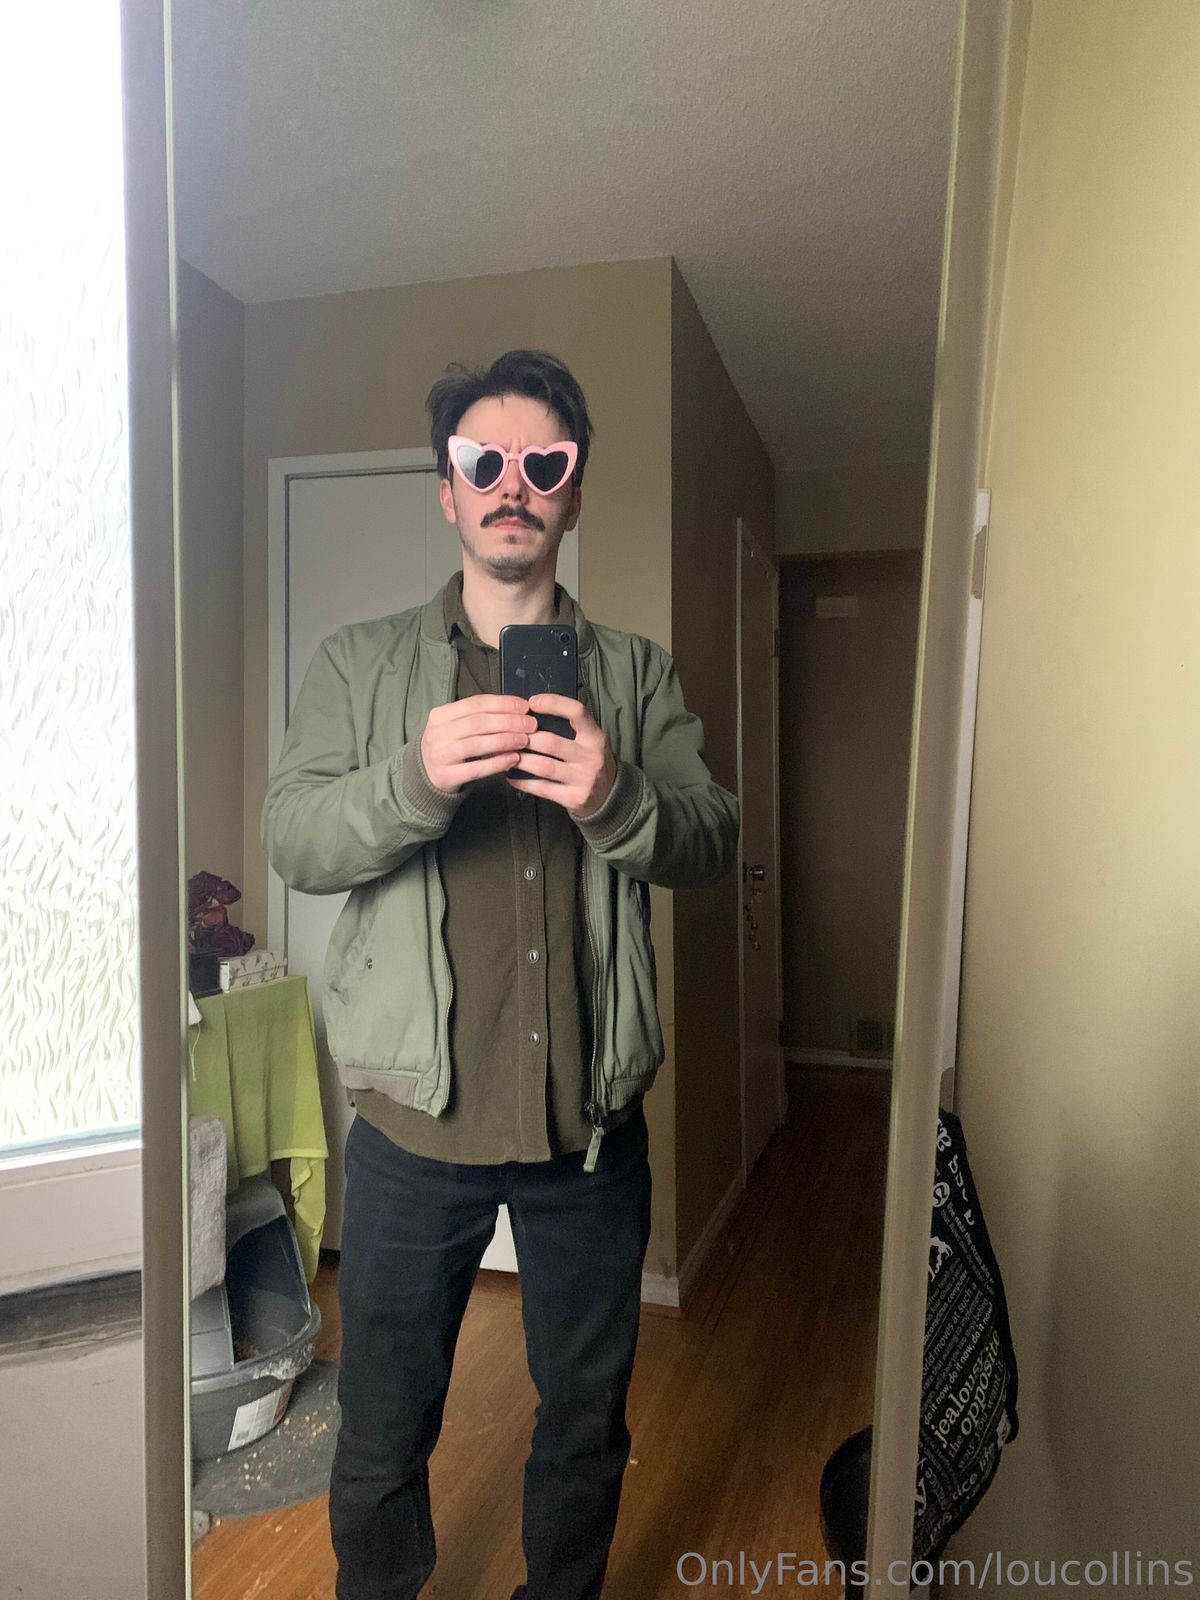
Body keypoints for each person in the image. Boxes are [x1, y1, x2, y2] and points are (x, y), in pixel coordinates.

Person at [261, 348, 741, 1600]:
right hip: (412, 1135)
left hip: (592, 1136)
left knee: (585, 1422)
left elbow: (713, 837)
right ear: (449, 490)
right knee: (382, 1427)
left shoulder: (634, 673)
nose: (512, 483)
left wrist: (619, 795)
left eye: (544, 462)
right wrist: (412, 780)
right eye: (484, 461)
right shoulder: (358, 667)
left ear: (573, 491)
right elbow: (295, 840)